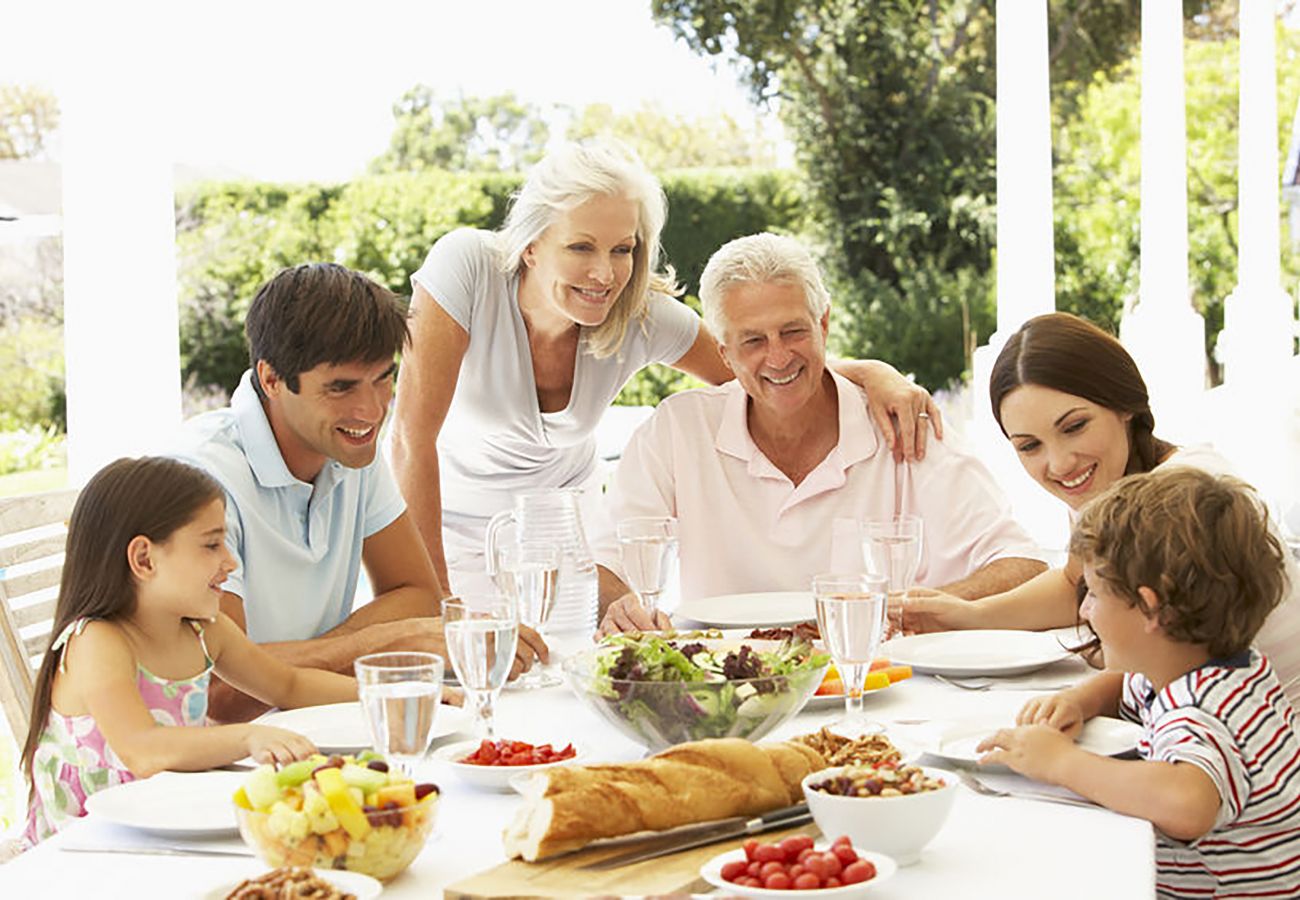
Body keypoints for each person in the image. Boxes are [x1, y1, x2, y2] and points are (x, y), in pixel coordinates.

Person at [389, 140, 942, 599]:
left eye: (623, 249)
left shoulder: (639, 314)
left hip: (568, 539)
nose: (605, 274)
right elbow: (413, 439)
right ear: (531, 246)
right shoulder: (467, 268)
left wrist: (874, 373)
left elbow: (758, 368)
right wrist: (436, 600)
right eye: (581, 246)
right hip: (447, 529)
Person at [596, 233, 1046, 633]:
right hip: (725, 694)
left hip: (874, 686)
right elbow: (606, 561)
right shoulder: (678, 430)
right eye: (753, 341)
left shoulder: (900, 425)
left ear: (824, 324)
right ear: (725, 353)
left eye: (793, 332)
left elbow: (1023, 564)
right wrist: (623, 610)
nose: (778, 358)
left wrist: (927, 609)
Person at [174, 263, 545, 722]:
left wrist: (321, 654)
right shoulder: (199, 479)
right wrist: (385, 641)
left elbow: (416, 594)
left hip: (311, 724)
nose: (370, 411)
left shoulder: (348, 447)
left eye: (383, 378)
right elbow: (219, 691)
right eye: (341, 387)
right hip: (212, 760)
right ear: (271, 379)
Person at [894, 312, 1300, 703]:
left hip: (1270, 742)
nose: (1060, 464)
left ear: (1124, 404)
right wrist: (967, 614)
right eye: (1029, 446)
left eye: (1074, 427)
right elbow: (1075, 580)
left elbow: (1161, 663)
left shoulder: (1186, 497)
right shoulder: (1108, 486)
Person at [977, 468, 1300, 899]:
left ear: (1151, 609)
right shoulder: (1209, 666)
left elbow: (1188, 804)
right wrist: (1080, 699)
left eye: (1091, 593)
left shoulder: (1199, 711)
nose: (1086, 611)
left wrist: (1060, 763)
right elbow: (1126, 685)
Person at [20, 457, 360, 848]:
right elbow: (142, 751)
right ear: (144, 559)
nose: (230, 562)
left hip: (167, 830)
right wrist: (248, 737)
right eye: (212, 544)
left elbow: (289, 684)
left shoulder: (203, 631)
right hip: (82, 854)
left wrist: (394, 692)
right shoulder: (98, 641)